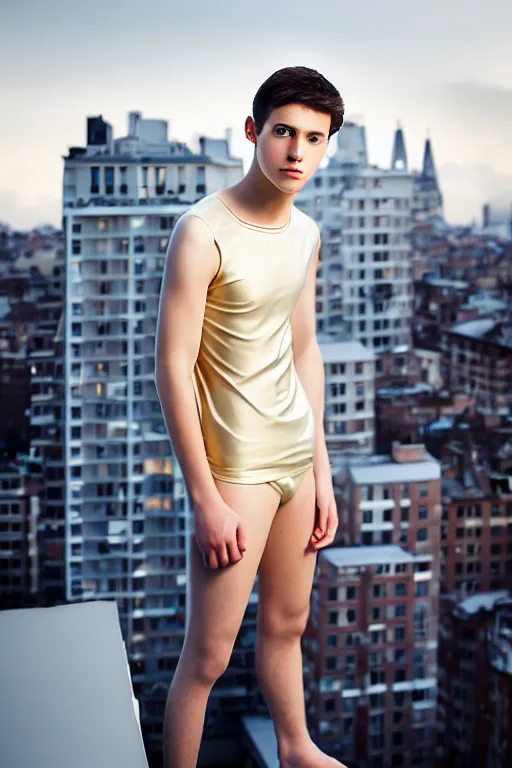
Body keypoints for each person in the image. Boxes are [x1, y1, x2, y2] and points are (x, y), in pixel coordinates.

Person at [156, 65, 346, 768]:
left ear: (328, 147)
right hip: (235, 473)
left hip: (297, 459)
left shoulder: (306, 234)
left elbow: (305, 351)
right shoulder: (202, 231)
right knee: (206, 658)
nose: (297, 151)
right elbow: (172, 365)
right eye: (284, 133)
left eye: (314, 139)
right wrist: (204, 497)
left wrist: (322, 474)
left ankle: (296, 749)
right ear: (253, 132)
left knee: (288, 625)